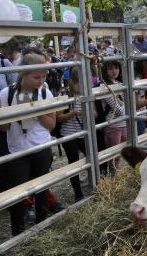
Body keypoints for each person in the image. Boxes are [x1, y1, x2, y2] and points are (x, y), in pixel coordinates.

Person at [0, 48, 56, 236]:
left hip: (41, 148)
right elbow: (4, 128)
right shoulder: (7, 94)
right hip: (18, 151)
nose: (41, 81)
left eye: (43, 77)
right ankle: (18, 231)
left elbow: (51, 125)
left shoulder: (45, 94)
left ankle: (42, 227)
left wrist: (35, 110)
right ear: (23, 74)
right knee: (17, 194)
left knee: (41, 191)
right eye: (36, 77)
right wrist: (1, 111)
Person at [56, 68, 95, 202]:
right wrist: (73, 113)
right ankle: (78, 193)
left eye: (83, 84)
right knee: (73, 163)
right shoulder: (64, 94)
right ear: (71, 82)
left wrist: (88, 113)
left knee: (92, 158)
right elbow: (59, 117)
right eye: (78, 84)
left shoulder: (87, 92)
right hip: (69, 135)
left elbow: (95, 113)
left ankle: (95, 184)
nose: (81, 87)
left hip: (84, 133)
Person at [0, 40, 18, 195]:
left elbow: (15, 90)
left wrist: (0, 106)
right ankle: (3, 194)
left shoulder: (3, 63)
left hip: (3, 121)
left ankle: (15, 195)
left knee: (7, 158)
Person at [100, 61, 126, 175]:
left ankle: (115, 177)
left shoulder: (119, 83)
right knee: (113, 155)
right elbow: (120, 110)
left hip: (124, 124)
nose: (114, 71)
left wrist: (121, 102)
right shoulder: (104, 86)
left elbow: (129, 105)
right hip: (113, 125)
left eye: (116, 68)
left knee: (120, 153)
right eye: (110, 68)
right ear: (105, 71)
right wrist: (123, 103)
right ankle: (113, 179)